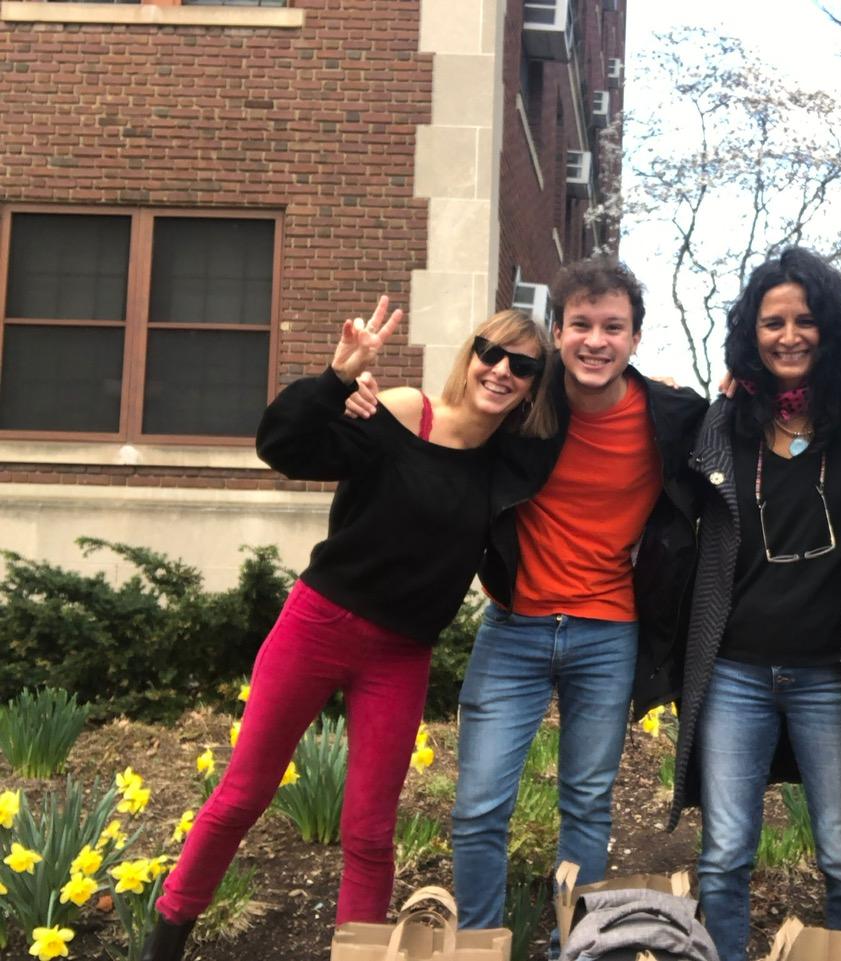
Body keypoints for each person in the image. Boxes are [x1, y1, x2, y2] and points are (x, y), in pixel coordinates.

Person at [143, 299, 555, 961]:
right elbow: (284, 445)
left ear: (536, 383)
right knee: (242, 794)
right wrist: (337, 379)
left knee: (370, 832)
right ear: (471, 354)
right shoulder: (398, 410)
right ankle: (165, 936)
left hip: (400, 655)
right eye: (491, 351)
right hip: (319, 623)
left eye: (523, 364)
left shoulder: (510, 465)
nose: (501, 369)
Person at [346, 258, 706, 936]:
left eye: (613, 327)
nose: (595, 340)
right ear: (559, 332)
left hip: (608, 632)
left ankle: (579, 944)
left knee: (588, 804)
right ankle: (482, 942)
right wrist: (355, 396)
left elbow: (731, 444)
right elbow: (447, 429)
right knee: (479, 806)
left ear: (634, 337)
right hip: (513, 629)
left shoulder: (672, 414)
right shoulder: (524, 407)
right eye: (580, 325)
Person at [666, 248, 841, 961]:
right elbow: (673, 456)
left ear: (830, 328)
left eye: (805, 319)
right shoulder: (730, 421)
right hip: (736, 669)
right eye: (772, 323)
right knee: (725, 854)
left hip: (833, 669)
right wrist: (715, 394)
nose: (789, 335)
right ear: (750, 333)